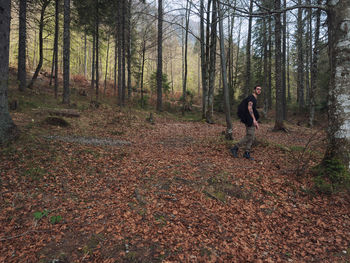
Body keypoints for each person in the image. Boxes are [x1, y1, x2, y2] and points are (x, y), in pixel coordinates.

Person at [230, 85, 262, 160]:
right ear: (254, 90)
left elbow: (253, 110)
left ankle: (247, 152)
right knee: (250, 135)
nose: (259, 90)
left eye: (260, 89)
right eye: (257, 89)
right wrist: (254, 120)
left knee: (252, 136)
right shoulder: (251, 97)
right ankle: (235, 148)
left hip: (251, 119)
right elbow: (249, 107)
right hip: (249, 119)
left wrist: (256, 121)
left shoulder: (255, 98)